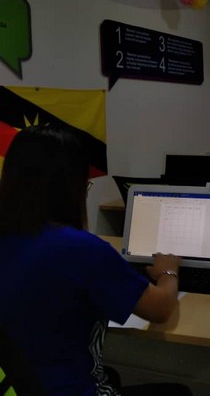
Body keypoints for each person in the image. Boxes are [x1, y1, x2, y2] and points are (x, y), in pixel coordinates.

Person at [0, 125, 192, 396]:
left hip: (18, 387)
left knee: (110, 373)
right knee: (177, 392)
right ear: (71, 187)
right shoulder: (81, 250)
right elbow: (160, 309)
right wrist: (168, 272)